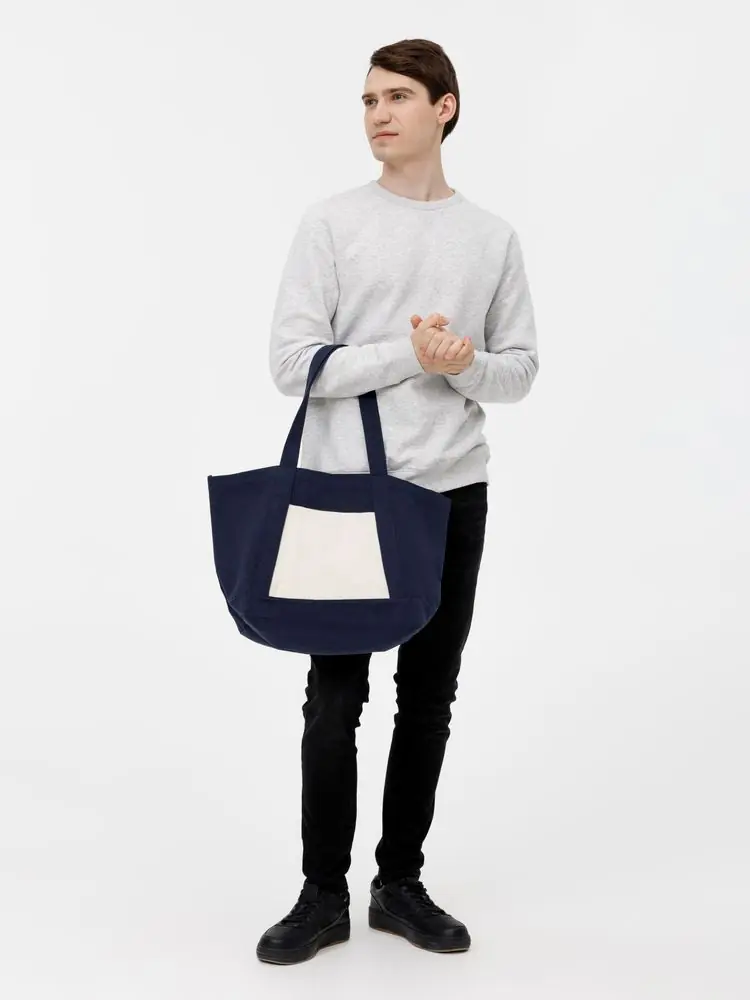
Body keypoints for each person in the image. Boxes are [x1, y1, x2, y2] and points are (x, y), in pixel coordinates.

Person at [257, 37, 539, 965]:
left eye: (398, 97)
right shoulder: (332, 223)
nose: (378, 114)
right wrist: (405, 355)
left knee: (429, 697)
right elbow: (293, 365)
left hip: (452, 492)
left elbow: (520, 371)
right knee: (334, 696)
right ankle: (320, 895)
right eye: (369, 100)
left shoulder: (491, 238)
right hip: (345, 493)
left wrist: (462, 364)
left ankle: (399, 884)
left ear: (443, 108)